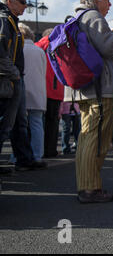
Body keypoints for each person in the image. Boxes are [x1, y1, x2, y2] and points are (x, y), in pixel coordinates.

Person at [63, 0, 113, 204]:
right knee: (98, 138)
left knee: (86, 137)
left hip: (86, 88)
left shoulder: (78, 17)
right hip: (101, 89)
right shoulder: (94, 17)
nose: (109, 5)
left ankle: (86, 185)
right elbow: (110, 47)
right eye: (106, 0)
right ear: (94, 0)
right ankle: (91, 189)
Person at [0, 0, 46, 175]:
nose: (26, 6)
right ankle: (24, 158)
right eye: (22, 2)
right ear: (9, 1)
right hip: (7, 80)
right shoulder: (4, 20)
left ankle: (24, 159)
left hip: (13, 78)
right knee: (5, 124)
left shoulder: (10, 21)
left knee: (19, 122)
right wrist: (14, 73)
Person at [19, 23, 47, 165]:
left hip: (22, 90)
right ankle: (37, 155)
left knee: (20, 126)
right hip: (38, 91)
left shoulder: (19, 49)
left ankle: (18, 156)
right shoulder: (39, 51)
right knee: (37, 124)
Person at [35, 28, 64, 159]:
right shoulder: (56, 45)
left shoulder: (38, 46)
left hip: (41, 88)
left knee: (38, 122)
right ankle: (50, 150)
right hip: (55, 89)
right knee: (52, 123)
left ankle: (40, 150)